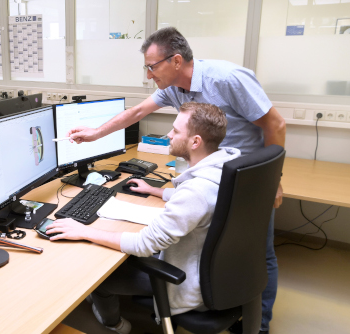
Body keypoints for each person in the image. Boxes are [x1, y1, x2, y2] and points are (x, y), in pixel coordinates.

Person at [66, 27, 285, 334]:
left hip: (248, 177)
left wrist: (272, 180)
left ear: (176, 61)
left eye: (152, 67)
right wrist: (94, 134)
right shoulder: (174, 87)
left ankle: (257, 325)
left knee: (259, 252)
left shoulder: (227, 78)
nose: (148, 75)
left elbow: (275, 124)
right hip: (215, 176)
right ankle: (226, 303)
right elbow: (137, 111)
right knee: (220, 244)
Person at [47, 102, 241, 334]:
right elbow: (197, 200)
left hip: (188, 281)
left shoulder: (196, 192)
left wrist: (84, 230)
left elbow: (143, 244)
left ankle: (114, 325)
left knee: (99, 279)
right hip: (216, 271)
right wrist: (158, 191)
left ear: (195, 142)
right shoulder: (225, 165)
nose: (168, 135)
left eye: (176, 131)